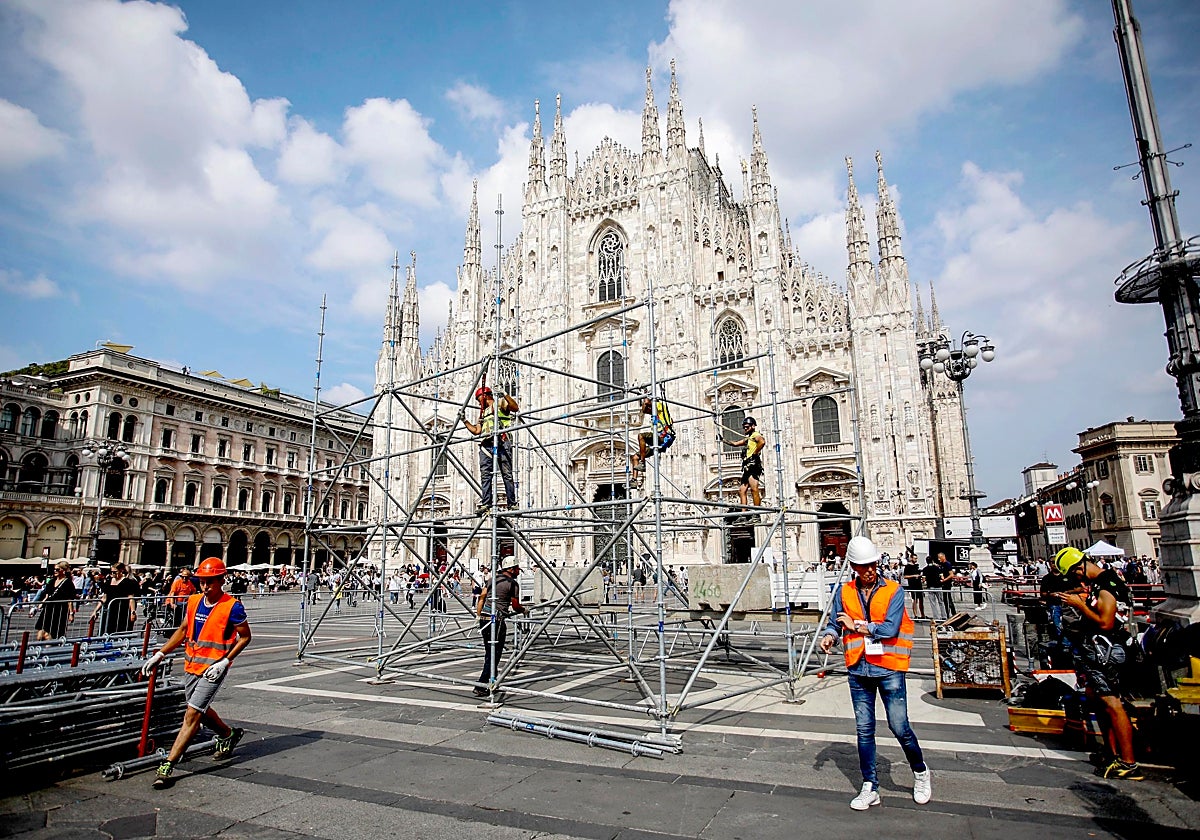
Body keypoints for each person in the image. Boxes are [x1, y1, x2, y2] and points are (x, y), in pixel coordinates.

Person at [819, 535, 930, 810]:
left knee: (899, 726)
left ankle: (920, 772)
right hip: (858, 667)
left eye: (872, 564)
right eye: (862, 565)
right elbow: (835, 622)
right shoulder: (844, 591)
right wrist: (830, 635)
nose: (869, 570)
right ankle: (870, 785)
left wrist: (857, 626)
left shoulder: (894, 590)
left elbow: (889, 629)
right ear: (853, 567)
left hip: (888, 668)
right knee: (864, 730)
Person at [141, 557, 251, 789]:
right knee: (198, 708)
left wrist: (225, 661)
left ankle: (168, 765)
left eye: (210, 581)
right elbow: (183, 630)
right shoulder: (192, 602)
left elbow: (245, 636)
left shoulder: (232, 606)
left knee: (191, 714)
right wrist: (160, 654)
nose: (205, 586)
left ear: (222, 580)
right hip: (191, 666)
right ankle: (228, 734)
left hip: (213, 669)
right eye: (202, 581)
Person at [1051, 546, 1142, 780]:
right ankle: (1111, 753)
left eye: (1073, 574)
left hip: (1108, 649)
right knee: (1097, 698)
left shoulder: (1106, 585)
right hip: (1099, 650)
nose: (1075, 578)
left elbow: (1106, 622)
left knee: (1112, 702)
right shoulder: (1099, 584)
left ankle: (1128, 762)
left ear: (1079, 567)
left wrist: (1079, 605)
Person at [473, 555, 526, 698]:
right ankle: (482, 684)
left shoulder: (492, 579)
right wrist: (524, 610)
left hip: (485, 617)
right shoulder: (512, 583)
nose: (518, 571)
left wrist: (478, 614)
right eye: (517, 569)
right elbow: (515, 606)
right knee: (494, 653)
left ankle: (492, 679)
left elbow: (482, 596)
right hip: (496, 620)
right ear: (512, 569)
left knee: (489, 651)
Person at [462, 385, 519, 515]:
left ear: (486, 396)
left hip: (502, 442)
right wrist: (464, 420)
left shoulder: (499, 404)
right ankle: (486, 503)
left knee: (507, 474)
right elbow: (476, 431)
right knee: (485, 475)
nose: (478, 402)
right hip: (487, 444)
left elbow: (515, 408)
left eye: (478, 399)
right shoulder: (483, 413)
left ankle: (512, 503)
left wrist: (504, 394)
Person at [725, 416, 766, 520]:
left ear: (753, 426)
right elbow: (735, 444)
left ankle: (756, 513)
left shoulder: (756, 435)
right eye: (744, 427)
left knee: (754, 489)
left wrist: (755, 453)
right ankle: (743, 514)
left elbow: (762, 442)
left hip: (753, 466)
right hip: (747, 467)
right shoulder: (749, 438)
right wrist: (723, 440)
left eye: (747, 427)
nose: (745, 429)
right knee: (742, 490)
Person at [629, 396, 676, 475]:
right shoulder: (654, 416)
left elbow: (647, 402)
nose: (649, 410)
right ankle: (634, 480)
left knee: (641, 436)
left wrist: (646, 395)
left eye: (649, 408)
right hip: (656, 441)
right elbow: (644, 410)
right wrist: (644, 401)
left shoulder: (660, 406)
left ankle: (642, 463)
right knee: (635, 457)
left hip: (663, 438)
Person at [33, 561, 77, 641]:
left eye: (57, 569)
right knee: (40, 635)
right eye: (54, 569)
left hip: (59, 610)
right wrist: (37, 608)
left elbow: (69, 600)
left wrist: (71, 613)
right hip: (48, 609)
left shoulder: (68, 583)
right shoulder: (51, 581)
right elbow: (46, 596)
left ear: (63, 570)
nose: (55, 571)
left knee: (51, 634)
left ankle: (48, 650)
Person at [94, 562, 141, 634]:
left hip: (121, 611)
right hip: (109, 610)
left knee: (119, 631)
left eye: (114, 572)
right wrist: (95, 611)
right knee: (105, 630)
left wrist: (133, 612)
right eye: (111, 572)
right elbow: (104, 598)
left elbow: (131, 598)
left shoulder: (127, 582)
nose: (112, 574)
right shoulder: (109, 581)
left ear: (121, 571)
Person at [921, 555, 945, 621]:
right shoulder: (938, 568)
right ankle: (944, 616)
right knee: (941, 602)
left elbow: (923, 579)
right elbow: (942, 577)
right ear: (933, 560)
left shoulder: (925, 569)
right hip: (938, 586)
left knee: (933, 603)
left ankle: (936, 617)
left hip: (930, 586)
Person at [903, 553, 925, 619]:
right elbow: (905, 576)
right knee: (915, 600)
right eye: (915, 558)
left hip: (919, 584)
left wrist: (921, 576)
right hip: (913, 585)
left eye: (916, 558)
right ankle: (916, 615)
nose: (916, 560)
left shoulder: (917, 566)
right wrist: (913, 576)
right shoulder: (908, 567)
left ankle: (922, 614)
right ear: (911, 558)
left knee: (921, 599)